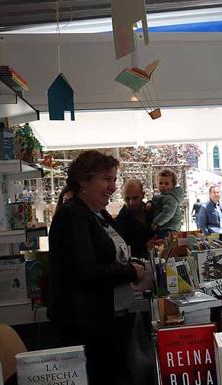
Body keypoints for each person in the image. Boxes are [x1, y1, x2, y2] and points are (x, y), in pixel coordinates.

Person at [47, 150, 146, 385]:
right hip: (87, 327)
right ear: (83, 180)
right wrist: (131, 272)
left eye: (114, 180)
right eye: (106, 179)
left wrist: (133, 264)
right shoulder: (74, 215)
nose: (112, 187)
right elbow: (87, 271)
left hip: (104, 322)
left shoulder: (96, 213)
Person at [114, 179, 155, 259]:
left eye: (135, 198)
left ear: (143, 195)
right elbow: (121, 253)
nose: (131, 202)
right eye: (127, 198)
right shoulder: (120, 222)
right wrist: (145, 246)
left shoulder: (153, 211)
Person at [150, 169, 184, 239]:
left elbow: (167, 213)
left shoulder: (170, 197)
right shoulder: (164, 196)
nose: (163, 185)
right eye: (160, 183)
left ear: (173, 185)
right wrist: (149, 203)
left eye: (166, 184)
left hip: (169, 228)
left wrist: (156, 223)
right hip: (166, 227)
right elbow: (155, 202)